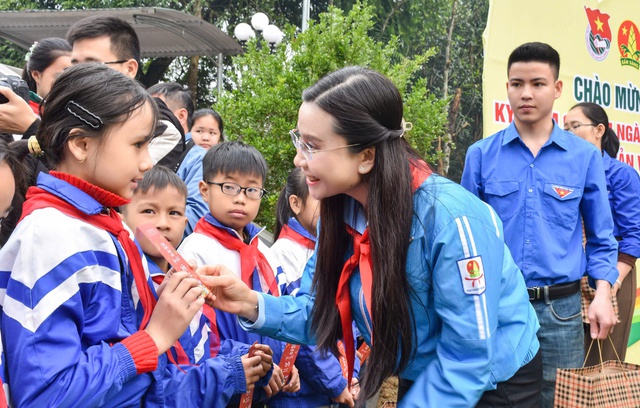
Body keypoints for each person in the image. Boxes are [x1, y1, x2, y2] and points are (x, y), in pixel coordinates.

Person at [199, 66, 542, 407]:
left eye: (312, 146)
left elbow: (468, 357)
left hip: (493, 383)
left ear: (365, 156)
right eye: (299, 142)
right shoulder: (347, 212)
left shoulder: (452, 221)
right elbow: (318, 312)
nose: (298, 159)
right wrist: (249, 302)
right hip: (425, 371)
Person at [0, 63, 271, 407]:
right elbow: (48, 394)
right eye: (138, 145)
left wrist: (167, 298)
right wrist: (155, 337)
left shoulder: (102, 225)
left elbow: (131, 368)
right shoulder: (51, 236)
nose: (147, 163)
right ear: (81, 144)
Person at [461, 42, 618, 407]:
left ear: (557, 88)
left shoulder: (583, 158)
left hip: (560, 312)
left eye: (537, 83)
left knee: (558, 402)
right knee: (497, 398)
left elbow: (601, 235)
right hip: (498, 307)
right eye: (516, 84)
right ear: (507, 88)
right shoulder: (481, 156)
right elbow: (466, 241)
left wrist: (604, 294)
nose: (526, 93)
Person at [177, 141, 301, 406]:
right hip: (224, 386)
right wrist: (256, 364)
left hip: (263, 389)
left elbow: (276, 311)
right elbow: (195, 334)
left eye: (252, 189)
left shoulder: (263, 250)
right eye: (229, 187)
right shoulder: (196, 252)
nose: (241, 197)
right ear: (204, 190)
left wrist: (284, 361)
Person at [269, 167, 359, 407]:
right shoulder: (283, 254)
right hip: (304, 393)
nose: (332, 209)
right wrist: (335, 382)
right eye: (322, 201)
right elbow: (302, 330)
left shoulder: (329, 246)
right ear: (295, 204)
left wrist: (352, 372)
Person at [564, 102, 640, 364]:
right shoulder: (566, 175)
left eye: (575, 126)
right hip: (573, 275)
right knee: (574, 366)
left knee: (604, 363)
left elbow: (633, 237)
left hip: (616, 271)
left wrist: (610, 285)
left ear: (599, 130)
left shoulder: (622, 175)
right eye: (564, 128)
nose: (569, 133)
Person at [146, 82, 208, 236]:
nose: (147, 117)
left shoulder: (199, 158)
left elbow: (197, 215)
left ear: (181, 116)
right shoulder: (143, 150)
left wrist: (142, 225)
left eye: (157, 109)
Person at [21, 38, 72, 114]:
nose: (68, 84)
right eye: (60, 77)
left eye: (73, 77)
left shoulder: (75, 113)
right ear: (36, 75)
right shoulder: (19, 111)